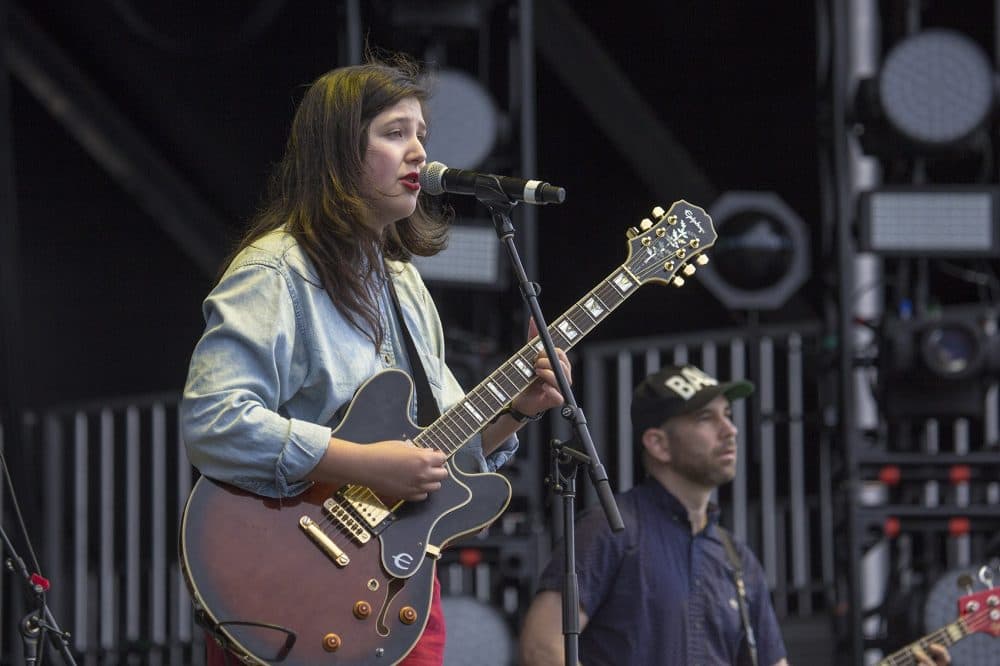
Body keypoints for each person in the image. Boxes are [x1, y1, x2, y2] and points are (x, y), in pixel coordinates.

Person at [180, 52, 570, 666]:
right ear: (337, 155)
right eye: (395, 133)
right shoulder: (276, 269)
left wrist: (516, 411)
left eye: (421, 134)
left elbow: (441, 451)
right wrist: (365, 464)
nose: (419, 151)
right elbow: (214, 420)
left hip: (396, 592)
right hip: (289, 585)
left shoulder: (405, 284)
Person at [519, 364, 950, 666]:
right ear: (658, 444)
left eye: (729, 415)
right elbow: (543, 649)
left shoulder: (736, 558)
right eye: (706, 418)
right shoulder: (611, 528)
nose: (730, 429)